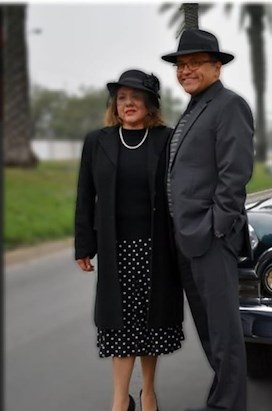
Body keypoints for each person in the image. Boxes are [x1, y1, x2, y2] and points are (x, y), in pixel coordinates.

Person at [75, 69, 183, 411]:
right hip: (114, 248)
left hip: (156, 248)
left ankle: (148, 392)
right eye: (122, 98)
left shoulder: (166, 139)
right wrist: (84, 245)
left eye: (136, 97)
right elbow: (85, 194)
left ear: (150, 104)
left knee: (151, 324)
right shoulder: (98, 141)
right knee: (119, 325)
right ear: (115, 105)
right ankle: (120, 401)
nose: (128, 103)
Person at [161, 29, 254, 411]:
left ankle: (229, 404)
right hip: (188, 237)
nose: (185, 71)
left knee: (224, 331)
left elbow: (235, 173)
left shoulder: (228, 105)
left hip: (211, 236)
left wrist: (217, 225)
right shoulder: (196, 106)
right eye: (181, 66)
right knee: (208, 330)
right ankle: (223, 398)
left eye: (194, 63)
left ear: (216, 67)